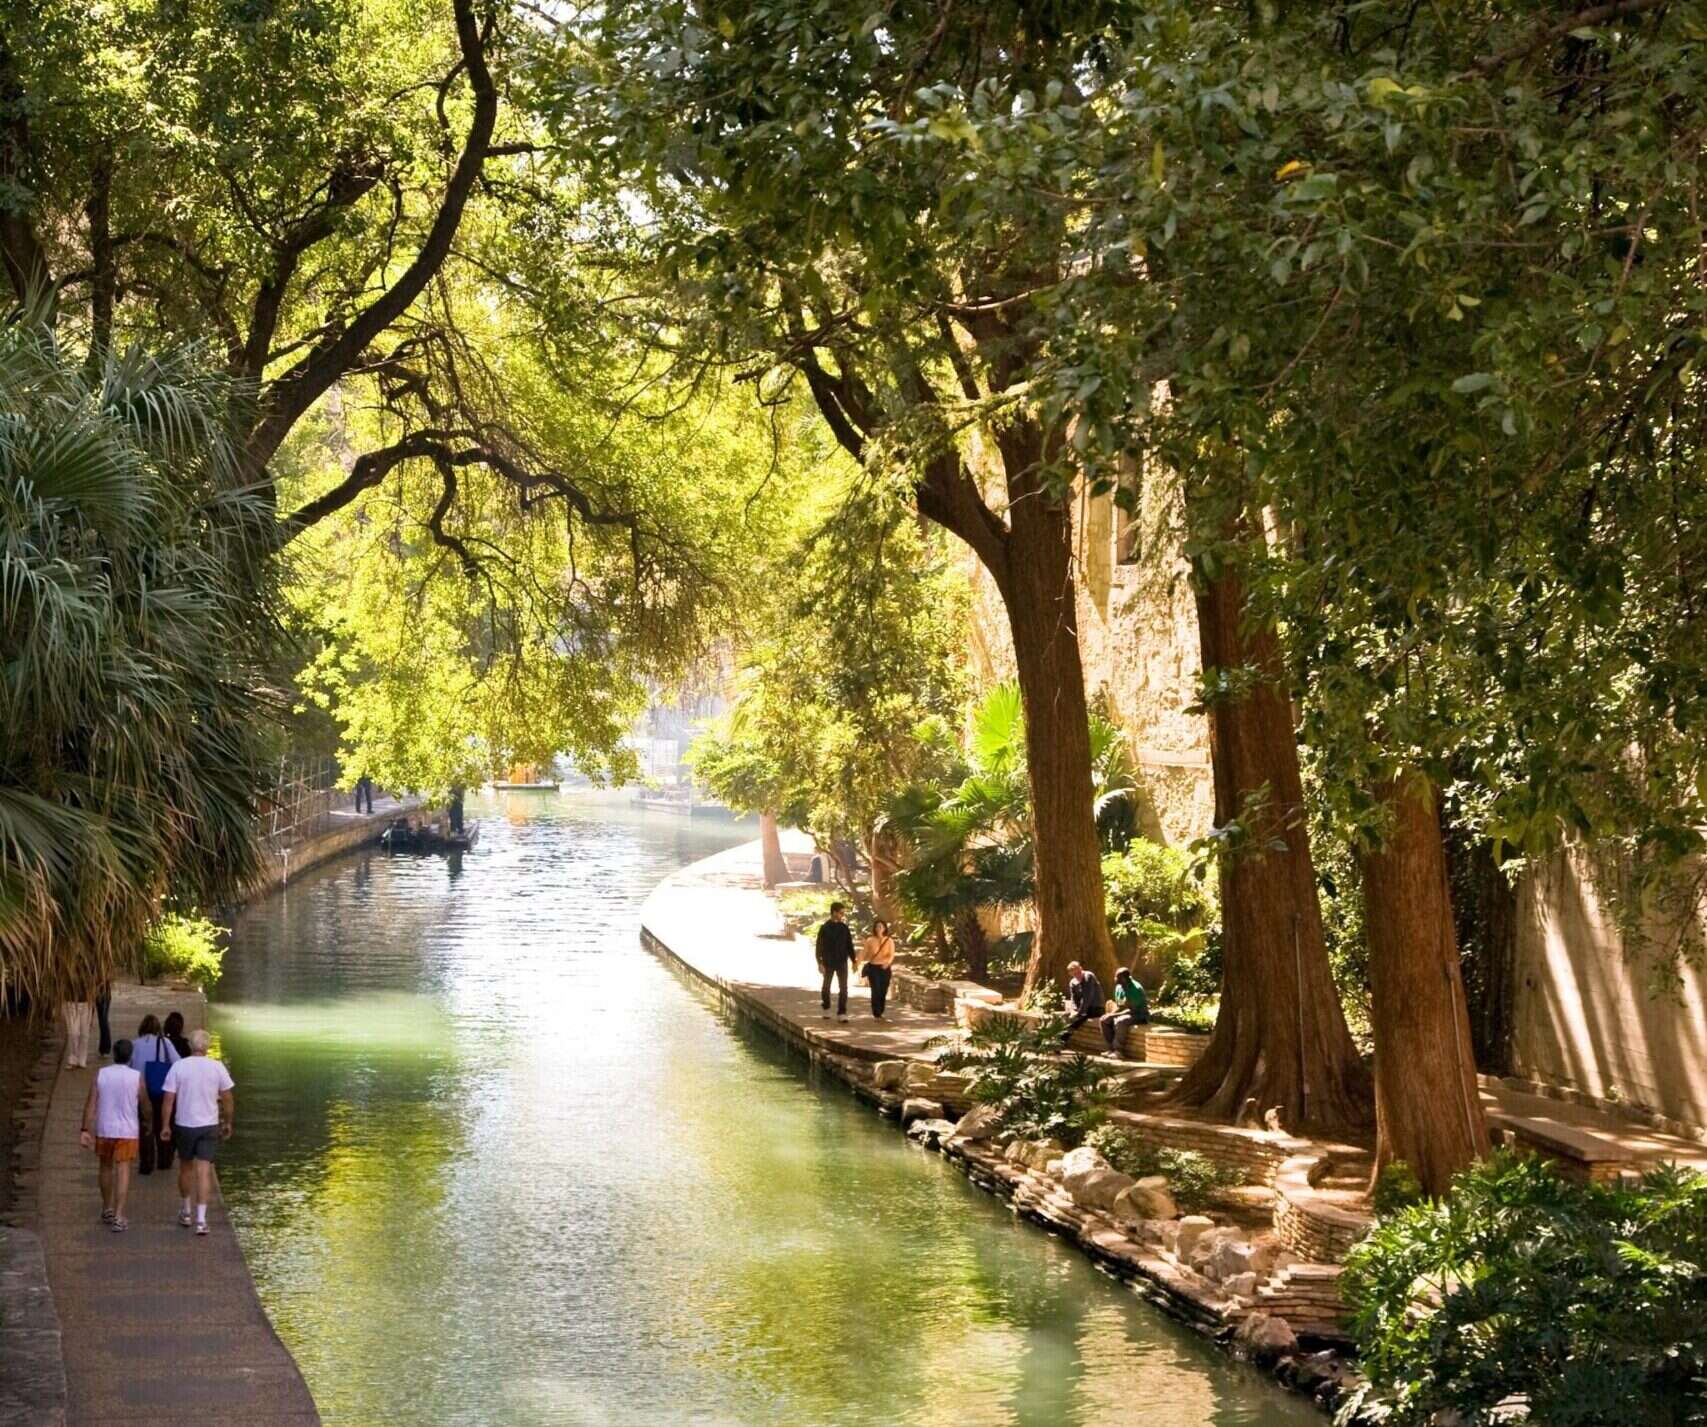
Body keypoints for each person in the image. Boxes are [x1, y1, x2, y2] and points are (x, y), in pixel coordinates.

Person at [158, 1028, 234, 1237]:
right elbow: (227, 1098)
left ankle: (186, 1210)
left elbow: (168, 1100)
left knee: (185, 1168)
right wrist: (227, 1122)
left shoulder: (178, 1067)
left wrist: (165, 1125)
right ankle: (201, 1220)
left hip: (184, 1124)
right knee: (204, 1171)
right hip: (208, 1124)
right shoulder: (217, 1067)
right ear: (207, 1047)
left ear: (191, 1046)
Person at [79, 1038, 149, 1232]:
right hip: (128, 1130)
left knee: (105, 1167)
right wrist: (148, 1122)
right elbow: (145, 1103)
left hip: (104, 1128)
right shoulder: (136, 1077)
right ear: (130, 1056)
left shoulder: (101, 1074)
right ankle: (119, 1215)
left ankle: (106, 1207)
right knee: (123, 1169)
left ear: (113, 1054)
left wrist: (85, 1129)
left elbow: (91, 1104)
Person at [131, 1015, 181, 1173]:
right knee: (163, 1123)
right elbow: (178, 1063)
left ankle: (146, 1163)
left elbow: (128, 1066)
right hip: (162, 1089)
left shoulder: (135, 1044)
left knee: (146, 1125)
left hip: (142, 1090)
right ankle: (164, 1160)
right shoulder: (165, 1043)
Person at [815, 902, 855, 1021]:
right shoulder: (824, 928)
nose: (843, 915)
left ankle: (842, 1012)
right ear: (834, 912)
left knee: (843, 988)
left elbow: (849, 945)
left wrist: (854, 960)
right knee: (826, 987)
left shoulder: (844, 928)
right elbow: (819, 947)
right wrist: (819, 962)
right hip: (828, 962)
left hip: (842, 961)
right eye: (841, 913)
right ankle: (826, 1007)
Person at [1100, 967, 1150, 1055]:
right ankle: (1111, 1049)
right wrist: (1110, 1014)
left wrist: (1113, 1016)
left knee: (1120, 1021)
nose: (1115, 978)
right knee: (1104, 1020)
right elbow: (1120, 1005)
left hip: (1139, 1015)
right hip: (1127, 1012)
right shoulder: (1119, 987)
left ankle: (1118, 1051)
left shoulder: (1135, 989)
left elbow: (1132, 1010)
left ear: (1123, 978)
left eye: (1117, 977)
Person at [1059, 961, 1106, 1042]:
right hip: (1083, 1008)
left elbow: (1087, 997)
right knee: (1064, 1016)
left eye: (1078, 972)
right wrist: (1073, 1010)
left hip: (1095, 1008)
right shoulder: (1073, 982)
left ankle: (1060, 1041)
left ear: (1081, 969)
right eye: (1074, 974)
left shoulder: (1088, 976)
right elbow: (1073, 998)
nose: (1077, 975)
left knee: (1076, 1019)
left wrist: (1079, 1012)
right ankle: (1056, 1037)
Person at [861, 919, 897, 1020]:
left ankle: (881, 1010)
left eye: (881, 926)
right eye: (877, 927)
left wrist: (888, 963)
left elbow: (891, 955)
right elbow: (864, 953)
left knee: (883, 990)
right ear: (874, 928)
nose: (879, 928)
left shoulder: (889, 941)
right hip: (873, 968)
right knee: (875, 990)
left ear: (884, 928)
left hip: (885, 968)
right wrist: (857, 962)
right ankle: (876, 1012)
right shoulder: (870, 940)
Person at [62, 994, 94, 1068]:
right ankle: (73, 1059)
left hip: (87, 1003)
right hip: (70, 1002)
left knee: (85, 1034)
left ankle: (82, 1059)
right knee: (73, 1033)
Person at [95, 979, 113, 1057]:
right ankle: (103, 1048)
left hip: (103, 993)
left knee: (103, 1021)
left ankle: (105, 1048)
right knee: (102, 1021)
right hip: (101, 992)